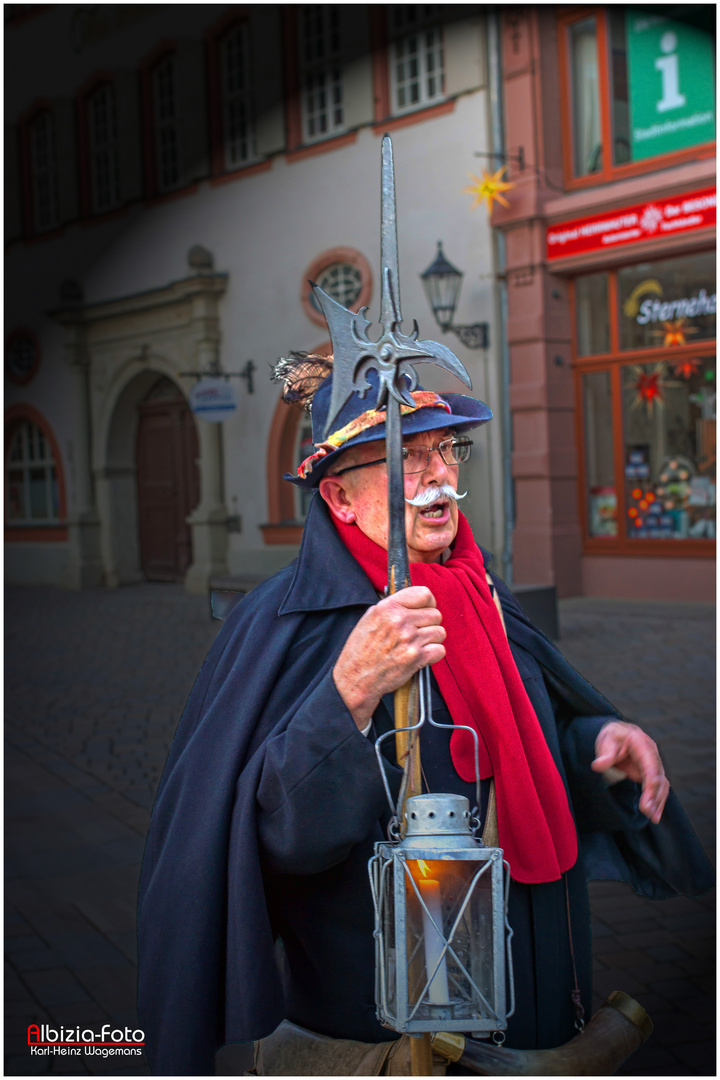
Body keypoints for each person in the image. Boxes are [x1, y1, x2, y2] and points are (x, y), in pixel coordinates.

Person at [137, 356, 712, 1076]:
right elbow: (277, 835)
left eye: (444, 449)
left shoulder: (479, 592)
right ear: (340, 500)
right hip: (386, 1028)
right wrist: (346, 692)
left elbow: (512, 748)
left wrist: (597, 740)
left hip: (535, 985)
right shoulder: (285, 623)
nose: (438, 473)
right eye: (406, 456)